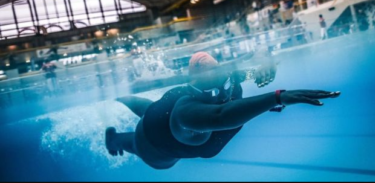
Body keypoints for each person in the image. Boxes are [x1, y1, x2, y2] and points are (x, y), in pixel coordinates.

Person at [105, 52, 341, 170]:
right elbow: (220, 117)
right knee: (135, 138)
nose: (224, 93)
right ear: (198, 90)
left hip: (160, 114)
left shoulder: (228, 83)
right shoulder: (186, 112)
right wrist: (276, 97)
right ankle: (113, 138)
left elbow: (254, 64)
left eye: (226, 82)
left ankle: (121, 98)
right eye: (213, 89)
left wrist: (264, 65)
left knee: (151, 109)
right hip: (156, 147)